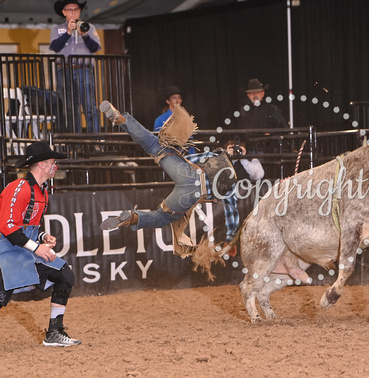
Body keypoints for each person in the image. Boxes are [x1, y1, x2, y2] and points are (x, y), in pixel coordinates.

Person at [99, 101, 240, 257]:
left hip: (187, 173)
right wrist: (230, 241)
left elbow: (189, 158)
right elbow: (232, 213)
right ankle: (132, 218)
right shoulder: (232, 185)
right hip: (192, 195)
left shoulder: (214, 156)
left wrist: (165, 157)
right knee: (161, 217)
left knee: (153, 145)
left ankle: (120, 118)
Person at [0, 142, 81, 347]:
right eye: (53, 163)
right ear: (42, 164)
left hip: (22, 251)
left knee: (64, 274)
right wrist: (38, 248)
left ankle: (54, 333)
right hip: (6, 251)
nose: (56, 166)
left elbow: (26, 225)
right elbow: (8, 227)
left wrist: (43, 236)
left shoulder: (41, 191)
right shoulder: (19, 188)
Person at [49, 0, 102, 133]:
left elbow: (95, 47)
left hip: (83, 69)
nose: (73, 13)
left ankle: (95, 141)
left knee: (90, 106)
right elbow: (55, 47)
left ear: (79, 11)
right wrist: (68, 32)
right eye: (70, 10)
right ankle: (75, 142)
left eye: (76, 10)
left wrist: (84, 35)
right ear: (64, 12)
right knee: (71, 108)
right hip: (64, 70)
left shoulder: (89, 27)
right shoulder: (57, 29)